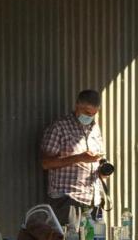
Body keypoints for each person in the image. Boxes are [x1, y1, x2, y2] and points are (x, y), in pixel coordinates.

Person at [40, 89, 107, 224]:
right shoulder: (60, 127)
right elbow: (46, 163)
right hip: (68, 199)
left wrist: (103, 170)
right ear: (77, 106)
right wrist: (79, 158)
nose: (90, 117)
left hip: (92, 200)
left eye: (94, 114)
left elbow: (97, 160)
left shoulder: (94, 128)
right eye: (87, 113)